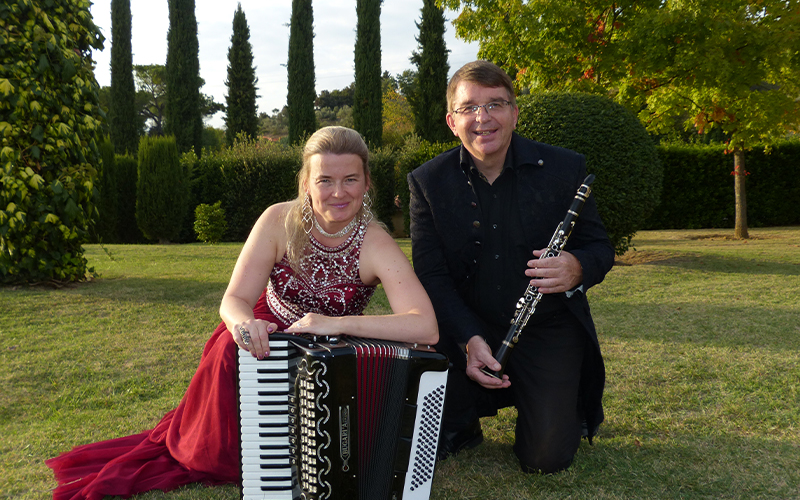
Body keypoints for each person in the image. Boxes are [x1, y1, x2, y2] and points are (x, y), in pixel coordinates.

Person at [47, 126, 438, 500]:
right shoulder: (276, 220)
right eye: (324, 180)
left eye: (350, 179)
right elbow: (233, 300)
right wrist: (243, 324)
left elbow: (425, 326)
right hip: (258, 343)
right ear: (306, 182)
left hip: (329, 355)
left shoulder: (376, 241)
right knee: (221, 453)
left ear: (367, 182)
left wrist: (334, 324)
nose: (338, 192)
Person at [407, 60, 614, 474]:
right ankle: (467, 419)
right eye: (469, 108)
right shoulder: (428, 181)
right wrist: (468, 339)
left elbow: (599, 247)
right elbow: (431, 275)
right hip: (468, 325)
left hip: (546, 326)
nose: (483, 118)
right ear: (452, 121)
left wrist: (577, 266)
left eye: (495, 104)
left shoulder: (564, 168)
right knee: (422, 428)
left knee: (545, 458)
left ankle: (550, 399)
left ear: (515, 113)